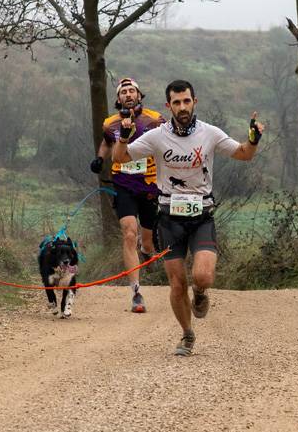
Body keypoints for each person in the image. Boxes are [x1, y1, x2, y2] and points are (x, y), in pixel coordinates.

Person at [111, 79, 263, 356]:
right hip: (169, 218)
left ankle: (201, 293)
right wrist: (123, 138)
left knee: (202, 276)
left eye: (187, 101)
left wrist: (252, 139)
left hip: (202, 216)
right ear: (168, 106)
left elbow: (243, 154)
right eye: (177, 102)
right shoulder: (157, 136)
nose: (182, 107)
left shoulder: (210, 133)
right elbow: (120, 158)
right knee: (177, 283)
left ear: (194, 102)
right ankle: (187, 334)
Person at [91, 77, 164, 313]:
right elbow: (106, 142)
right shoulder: (110, 123)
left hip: (150, 185)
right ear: (118, 99)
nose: (128, 94)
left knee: (147, 241)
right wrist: (100, 158)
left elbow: (167, 143)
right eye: (124, 92)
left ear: (139, 96)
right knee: (129, 233)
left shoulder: (155, 120)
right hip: (122, 183)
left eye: (132, 91)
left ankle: (147, 250)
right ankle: (136, 292)